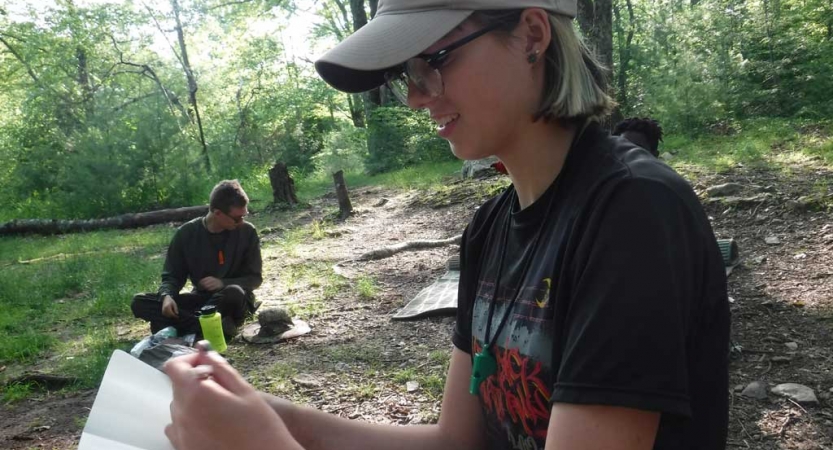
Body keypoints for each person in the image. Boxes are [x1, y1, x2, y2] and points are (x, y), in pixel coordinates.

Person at [163, 1, 730, 449]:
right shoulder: (489, 228)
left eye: (432, 62)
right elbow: (459, 441)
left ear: (532, 35)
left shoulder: (633, 212)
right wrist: (277, 419)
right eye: (406, 72)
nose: (413, 97)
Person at [131, 180, 262, 340]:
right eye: (237, 218)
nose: (241, 222)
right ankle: (207, 326)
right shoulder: (186, 234)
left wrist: (223, 283)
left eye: (244, 216)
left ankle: (183, 326)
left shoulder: (247, 232)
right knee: (139, 301)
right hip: (201, 300)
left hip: (232, 299)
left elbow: (254, 279)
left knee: (233, 292)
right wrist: (167, 296)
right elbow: (172, 276)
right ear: (217, 213)